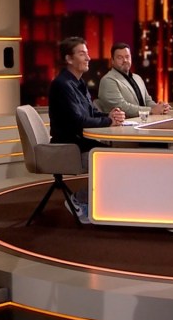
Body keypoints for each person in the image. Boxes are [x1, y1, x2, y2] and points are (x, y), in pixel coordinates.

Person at [48, 37, 124, 221]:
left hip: (80, 142)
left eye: (87, 53)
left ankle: (102, 204)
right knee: (112, 159)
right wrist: (108, 121)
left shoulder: (79, 83)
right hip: (69, 147)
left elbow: (91, 113)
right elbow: (78, 121)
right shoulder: (62, 85)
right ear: (69, 59)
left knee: (119, 157)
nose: (88, 58)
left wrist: (109, 116)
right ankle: (78, 199)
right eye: (82, 54)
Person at [98, 42, 171, 117]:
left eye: (127, 56)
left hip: (144, 120)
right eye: (120, 57)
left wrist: (160, 107)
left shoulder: (137, 78)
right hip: (123, 123)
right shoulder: (108, 80)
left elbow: (147, 101)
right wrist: (151, 110)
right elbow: (122, 107)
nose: (125, 60)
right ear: (112, 61)